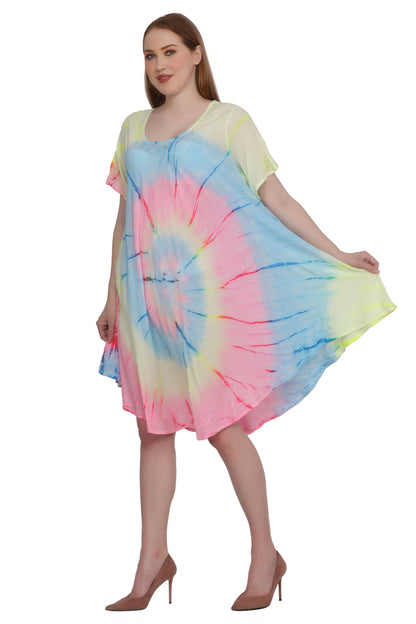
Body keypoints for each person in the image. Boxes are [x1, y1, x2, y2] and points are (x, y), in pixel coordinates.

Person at [96, 12, 396, 612]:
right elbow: (126, 218)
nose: (159, 65)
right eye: (150, 55)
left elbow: (274, 196)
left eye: (171, 51)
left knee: (224, 429)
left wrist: (336, 253)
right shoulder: (132, 128)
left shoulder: (229, 121)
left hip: (209, 308)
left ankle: (265, 554)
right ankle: (152, 561)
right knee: (151, 431)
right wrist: (111, 296)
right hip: (148, 305)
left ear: (197, 53)